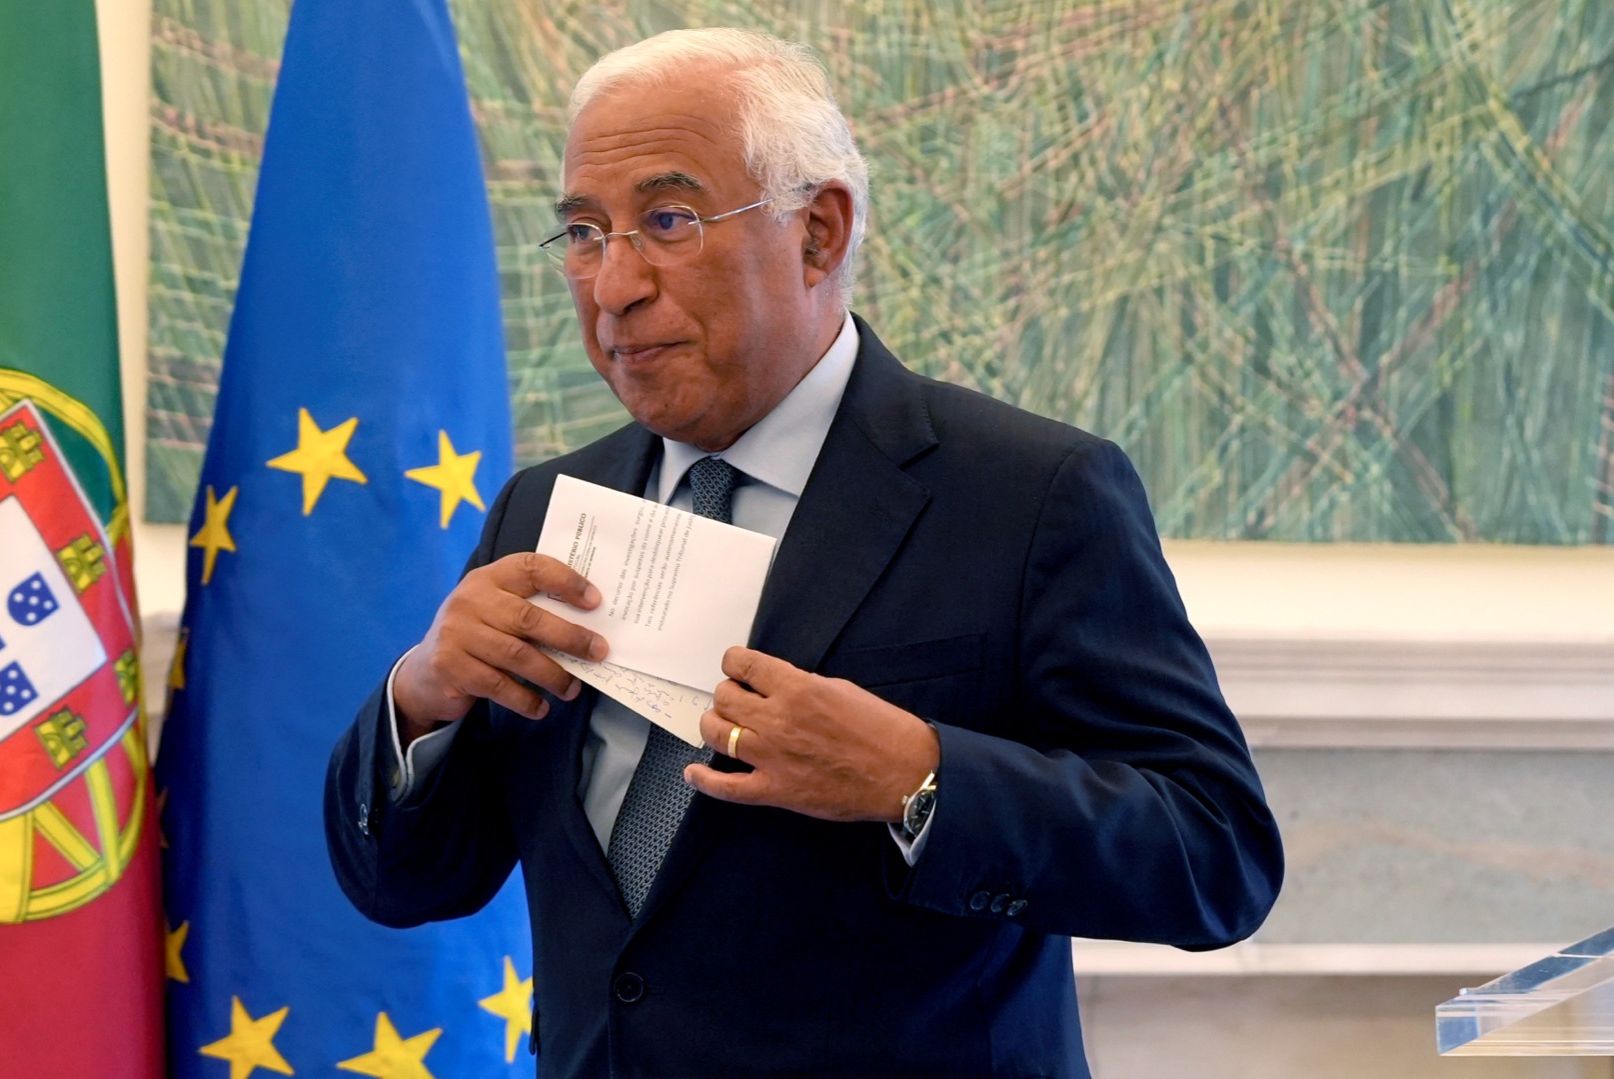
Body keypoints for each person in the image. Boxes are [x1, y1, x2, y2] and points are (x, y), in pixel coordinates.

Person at [325, 27, 1282, 1078]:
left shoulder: (1030, 494)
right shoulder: (544, 506)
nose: (612, 286)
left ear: (818, 232)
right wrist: (420, 698)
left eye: (668, 220)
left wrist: (921, 778)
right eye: (586, 233)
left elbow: (1216, 854)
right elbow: (407, 882)